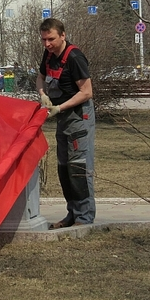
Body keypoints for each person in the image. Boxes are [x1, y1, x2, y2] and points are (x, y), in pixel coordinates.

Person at [35, 18, 96, 229]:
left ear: (63, 35)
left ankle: (84, 218)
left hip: (78, 117)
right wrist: (43, 94)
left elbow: (87, 92)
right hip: (62, 118)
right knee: (64, 168)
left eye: (51, 39)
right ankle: (72, 213)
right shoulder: (49, 55)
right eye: (44, 40)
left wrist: (60, 108)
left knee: (78, 167)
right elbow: (40, 77)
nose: (47, 44)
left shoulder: (75, 58)